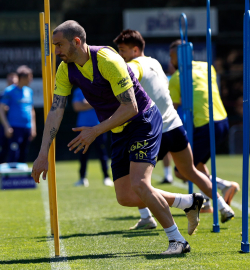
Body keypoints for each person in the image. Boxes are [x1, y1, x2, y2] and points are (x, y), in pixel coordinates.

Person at [31, 20, 204, 255]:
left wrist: (95, 130)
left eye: (59, 45)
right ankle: (187, 202)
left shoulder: (107, 60)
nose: (56, 51)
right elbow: (55, 111)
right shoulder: (65, 69)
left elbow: (130, 107)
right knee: (125, 196)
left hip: (142, 120)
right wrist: (42, 155)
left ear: (77, 42)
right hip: (118, 128)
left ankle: (177, 240)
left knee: (140, 183)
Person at [113, 29, 235, 230]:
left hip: (154, 131)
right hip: (176, 127)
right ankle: (222, 206)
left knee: (133, 179)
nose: (120, 55)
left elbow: (123, 83)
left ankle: (150, 217)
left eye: (123, 50)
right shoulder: (155, 63)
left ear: (135, 49)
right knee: (191, 171)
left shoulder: (132, 66)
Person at [168, 39, 240, 213]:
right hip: (222, 120)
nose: (171, 61)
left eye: (172, 57)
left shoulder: (177, 78)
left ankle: (225, 186)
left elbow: (172, 108)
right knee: (197, 163)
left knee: (180, 170)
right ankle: (206, 203)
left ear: (178, 56)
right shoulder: (208, 67)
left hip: (205, 123)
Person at [0, 66, 36, 188]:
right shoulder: (9, 91)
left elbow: (31, 110)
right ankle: (7, 181)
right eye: (30, 77)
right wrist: (7, 126)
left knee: (23, 153)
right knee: (12, 154)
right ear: (23, 78)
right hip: (14, 128)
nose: (31, 79)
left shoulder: (29, 91)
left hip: (26, 128)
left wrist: (33, 127)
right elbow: (0, 110)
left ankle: (20, 181)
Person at [72, 87, 113, 187]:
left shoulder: (99, 89)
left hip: (98, 127)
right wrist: (94, 102)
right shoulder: (78, 90)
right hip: (82, 127)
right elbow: (77, 107)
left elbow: (104, 105)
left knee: (102, 154)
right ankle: (82, 178)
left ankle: (106, 177)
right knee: (83, 154)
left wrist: (86, 103)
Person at [0, 72, 18, 189]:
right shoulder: (4, 94)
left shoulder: (20, 93)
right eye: (10, 80)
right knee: (1, 153)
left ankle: (14, 179)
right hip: (5, 127)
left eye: (14, 79)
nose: (12, 82)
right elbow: (1, 109)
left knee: (15, 154)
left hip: (16, 127)